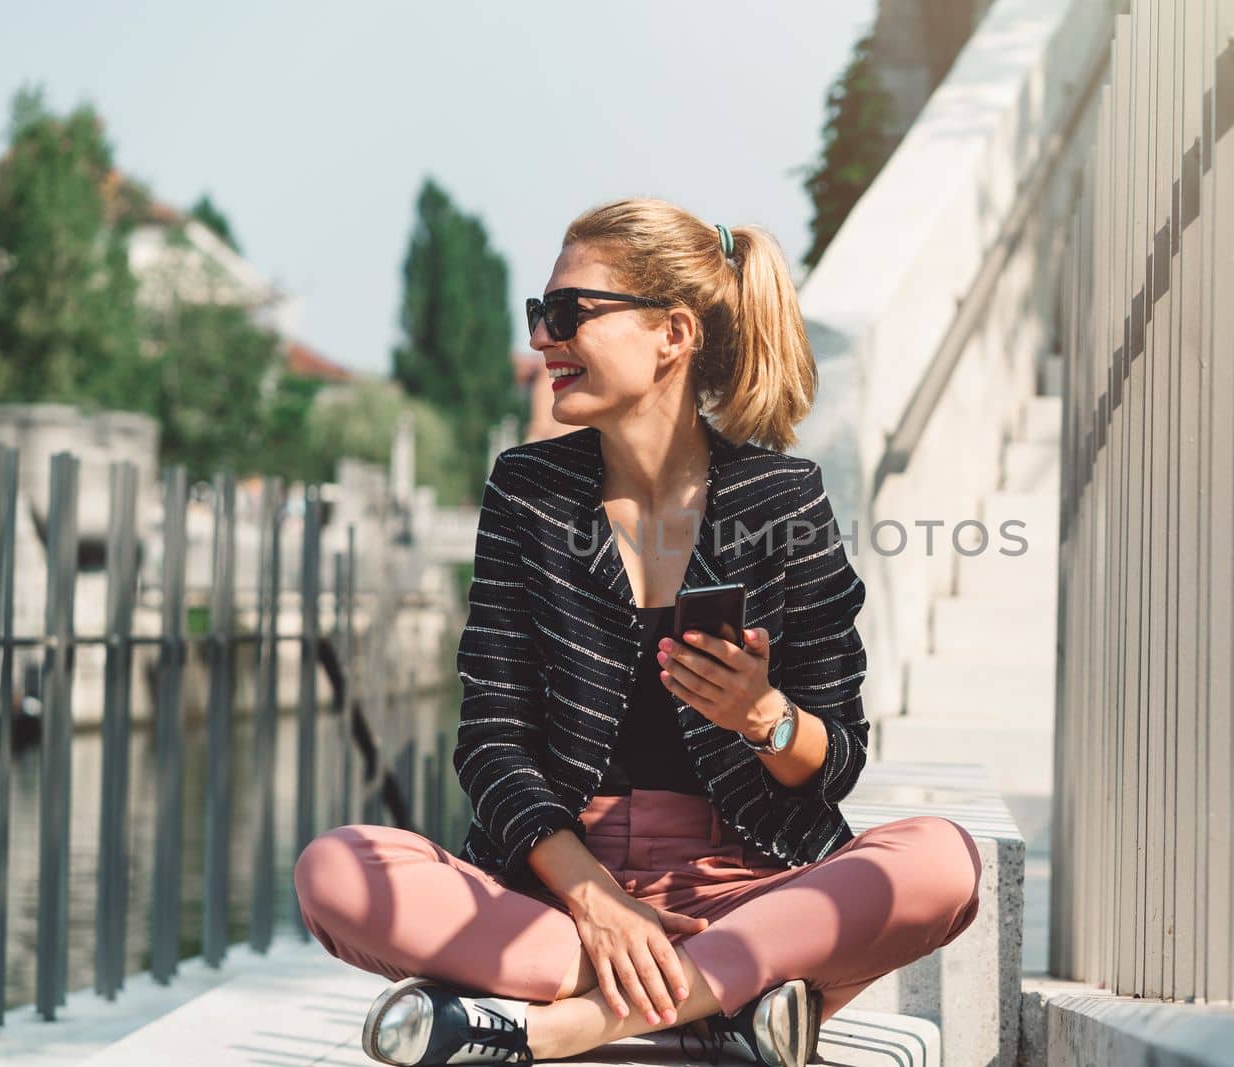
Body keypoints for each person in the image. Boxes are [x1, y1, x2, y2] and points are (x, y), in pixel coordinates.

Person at [292, 198, 983, 1066]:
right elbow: (492, 742)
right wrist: (597, 900)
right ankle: (725, 1005)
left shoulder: (784, 498)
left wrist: (763, 714)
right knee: (335, 869)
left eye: (572, 312)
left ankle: (562, 1024)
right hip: (555, 890)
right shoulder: (527, 490)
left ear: (673, 334)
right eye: (541, 314)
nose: (545, 337)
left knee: (942, 861)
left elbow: (838, 756)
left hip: (753, 886)